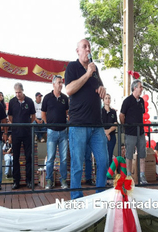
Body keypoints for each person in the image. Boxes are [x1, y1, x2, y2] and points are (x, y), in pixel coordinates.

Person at [65, 39, 108, 199]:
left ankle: (101, 195)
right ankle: (76, 197)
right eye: (84, 46)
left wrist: (103, 89)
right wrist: (87, 73)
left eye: (89, 46)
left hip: (97, 126)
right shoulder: (72, 67)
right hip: (78, 125)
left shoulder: (95, 69)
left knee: (103, 161)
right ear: (78, 51)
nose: (88, 49)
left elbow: (100, 87)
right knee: (77, 165)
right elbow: (69, 89)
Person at [41, 75, 69, 190]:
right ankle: (49, 181)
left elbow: (67, 112)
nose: (61, 84)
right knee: (51, 158)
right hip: (52, 132)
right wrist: (48, 125)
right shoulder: (47, 98)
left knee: (63, 158)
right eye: (58, 82)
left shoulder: (65, 98)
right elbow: (43, 113)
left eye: (61, 82)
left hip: (63, 132)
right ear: (53, 84)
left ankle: (63, 181)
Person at [8, 83, 35, 189]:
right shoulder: (11, 102)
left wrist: (27, 125)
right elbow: (10, 116)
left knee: (29, 157)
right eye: (16, 93)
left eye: (19, 92)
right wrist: (15, 125)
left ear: (23, 91)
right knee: (15, 158)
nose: (18, 94)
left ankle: (29, 180)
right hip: (16, 133)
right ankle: (16, 181)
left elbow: (33, 116)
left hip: (27, 133)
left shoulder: (29, 101)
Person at [119, 79, 147, 184]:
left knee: (142, 154)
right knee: (129, 155)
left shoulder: (142, 101)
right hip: (130, 132)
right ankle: (129, 176)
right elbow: (121, 115)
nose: (142, 89)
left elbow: (142, 114)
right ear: (135, 88)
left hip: (140, 132)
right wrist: (125, 126)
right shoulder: (127, 101)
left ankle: (142, 176)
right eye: (140, 87)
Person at [102, 93, 117, 166]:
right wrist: (105, 133)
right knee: (103, 155)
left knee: (110, 154)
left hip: (112, 135)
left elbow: (115, 124)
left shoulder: (113, 112)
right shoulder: (100, 111)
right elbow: (99, 124)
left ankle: (109, 174)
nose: (108, 100)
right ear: (103, 100)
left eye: (109, 98)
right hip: (102, 135)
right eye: (106, 98)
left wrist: (108, 131)